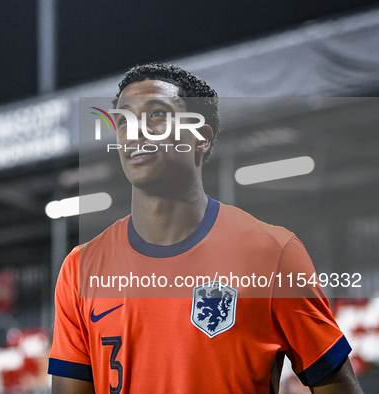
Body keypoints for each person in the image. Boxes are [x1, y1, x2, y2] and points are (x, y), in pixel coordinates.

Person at [47, 63, 364, 393]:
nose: (136, 130)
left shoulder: (273, 254)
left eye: (156, 114)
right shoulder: (80, 270)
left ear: (200, 138)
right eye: (124, 119)